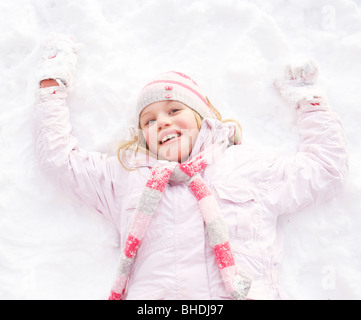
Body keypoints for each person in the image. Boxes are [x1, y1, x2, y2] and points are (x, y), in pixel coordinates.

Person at [34, 35, 348, 300]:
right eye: (150, 120)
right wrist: (51, 87)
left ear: (201, 117)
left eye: (173, 109)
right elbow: (61, 162)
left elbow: (324, 170)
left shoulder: (244, 165)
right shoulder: (127, 175)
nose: (163, 122)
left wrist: (310, 102)